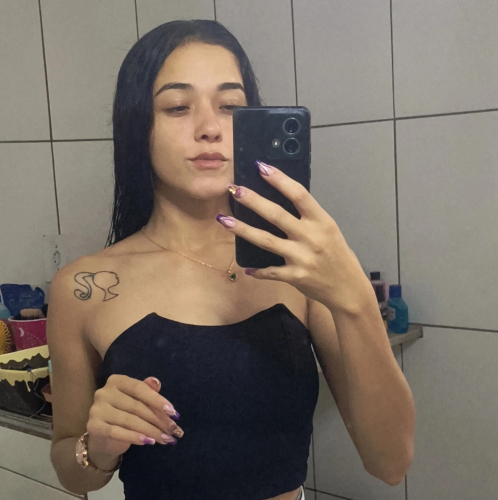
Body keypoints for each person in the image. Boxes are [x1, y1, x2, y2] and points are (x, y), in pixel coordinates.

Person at [47, 19, 414, 500]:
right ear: (138, 127)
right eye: (178, 107)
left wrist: (355, 300)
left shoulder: (298, 264)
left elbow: (391, 462)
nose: (209, 128)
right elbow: (71, 471)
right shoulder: (84, 287)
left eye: (230, 107)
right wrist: (97, 446)